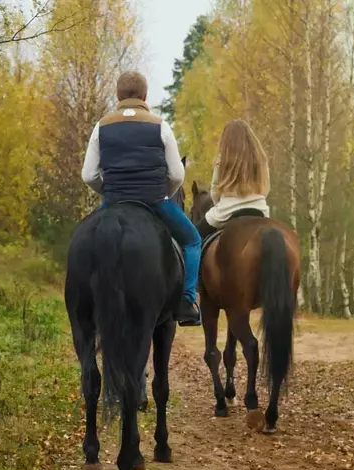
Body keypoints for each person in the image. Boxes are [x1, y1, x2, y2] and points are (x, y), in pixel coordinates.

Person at [81, 71, 201, 326]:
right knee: (192, 241)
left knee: (84, 242)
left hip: (113, 201)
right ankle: (187, 301)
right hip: (155, 201)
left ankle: (85, 302)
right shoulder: (160, 125)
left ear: (117, 95)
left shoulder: (101, 127)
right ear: (145, 96)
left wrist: (110, 192)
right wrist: (163, 193)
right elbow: (177, 173)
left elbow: (88, 175)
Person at [197, 119, 270, 239]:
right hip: (260, 209)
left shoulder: (222, 160)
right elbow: (266, 188)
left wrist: (218, 204)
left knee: (193, 240)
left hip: (226, 211)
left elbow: (214, 191)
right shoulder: (261, 158)